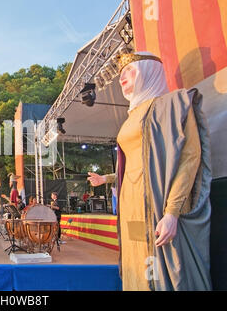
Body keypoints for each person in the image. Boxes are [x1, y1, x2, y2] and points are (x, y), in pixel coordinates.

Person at [87, 52, 211, 291]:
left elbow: (190, 159)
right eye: (120, 74)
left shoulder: (173, 106)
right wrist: (107, 178)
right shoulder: (131, 116)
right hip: (130, 204)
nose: (121, 78)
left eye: (129, 71)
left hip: (157, 204)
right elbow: (134, 162)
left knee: (163, 267)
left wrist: (172, 212)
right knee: (137, 263)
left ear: (148, 71)